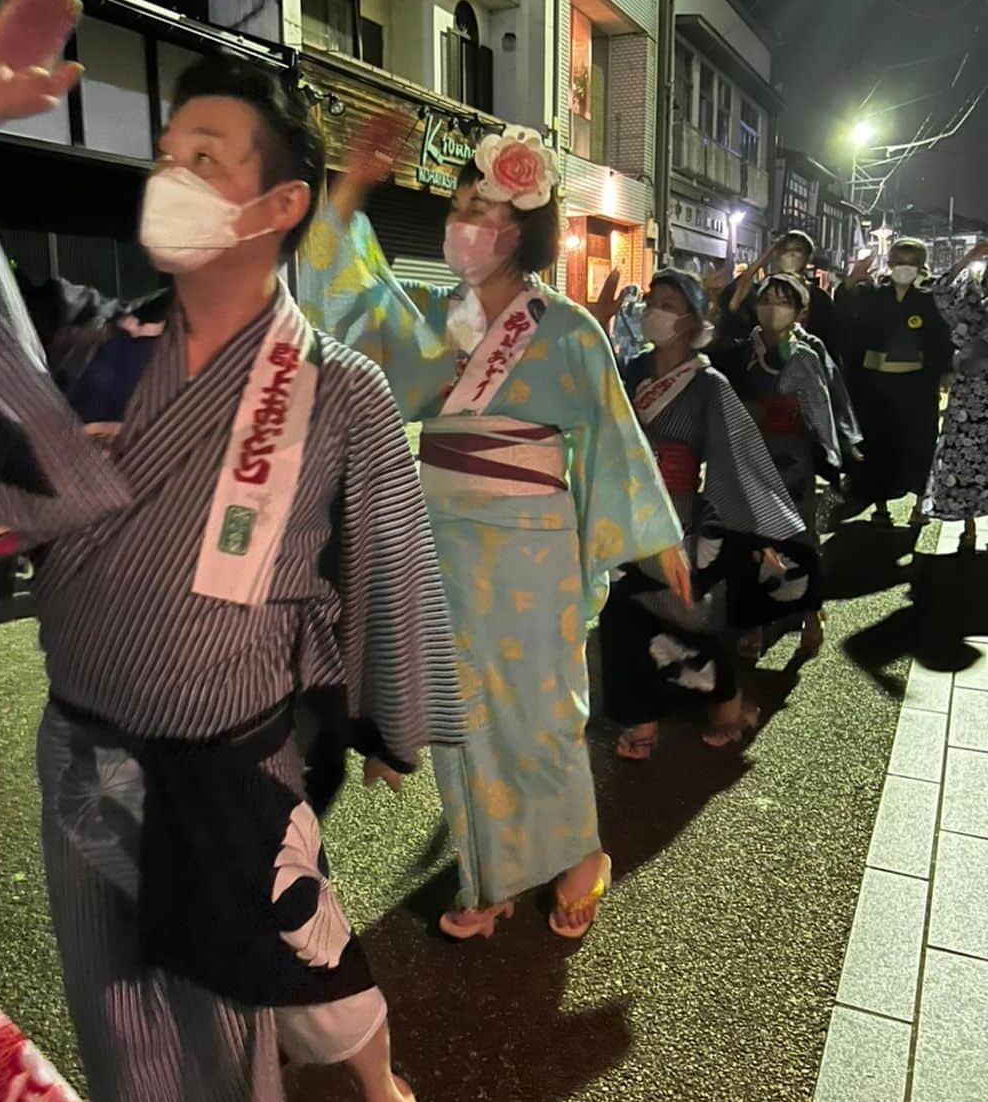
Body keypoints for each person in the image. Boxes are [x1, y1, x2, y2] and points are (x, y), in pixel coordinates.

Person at [0, 0, 461, 1102]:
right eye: (165, 152)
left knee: (233, 1017)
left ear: (279, 205)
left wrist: (390, 722)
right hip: (82, 759)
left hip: (232, 769)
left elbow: (389, 568)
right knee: (134, 1050)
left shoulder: (340, 393)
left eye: (203, 155)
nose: (168, 173)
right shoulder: (90, 356)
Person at [299, 115, 687, 942]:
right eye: (462, 208)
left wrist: (658, 535)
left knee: (540, 712)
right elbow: (348, 317)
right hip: (441, 539)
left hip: (532, 547)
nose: (471, 226)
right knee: (459, 711)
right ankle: (488, 875)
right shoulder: (434, 323)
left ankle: (579, 854)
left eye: (492, 212)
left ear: (526, 231)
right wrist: (350, 192)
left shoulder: (571, 330)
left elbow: (616, 438)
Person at [599, 267, 807, 758]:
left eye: (669, 304)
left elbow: (736, 460)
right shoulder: (630, 371)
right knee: (620, 616)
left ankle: (727, 695)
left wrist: (755, 533)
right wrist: (600, 325)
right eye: (652, 300)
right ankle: (640, 720)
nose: (655, 311)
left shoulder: (708, 384)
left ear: (693, 321)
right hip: (626, 512)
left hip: (679, 517)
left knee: (685, 616)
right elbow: (596, 403)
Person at [714, 272, 838, 656]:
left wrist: (832, 454)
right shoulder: (737, 353)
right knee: (748, 539)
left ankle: (811, 610)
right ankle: (753, 622)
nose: (773, 307)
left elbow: (820, 411)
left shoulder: (805, 355)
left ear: (800, 312)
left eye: (784, 300)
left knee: (797, 538)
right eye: (767, 298)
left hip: (791, 457)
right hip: (746, 454)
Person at [845, 238, 954, 526]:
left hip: (916, 384)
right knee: (878, 443)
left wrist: (945, 370)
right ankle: (880, 505)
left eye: (911, 262)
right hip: (875, 383)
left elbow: (943, 337)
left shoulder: (930, 298)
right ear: (890, 264)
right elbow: (846, 320)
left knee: (920, 443)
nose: (904, 267)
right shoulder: (872, 294)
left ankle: (920, 505)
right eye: (899, 261)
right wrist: (850, 284)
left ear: (921, 267)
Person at [923, 240, 988, 549]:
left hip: (971, 393)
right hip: (972, 396)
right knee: (965, 460)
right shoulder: (972, 309)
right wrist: (971, 256)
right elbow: (942, 290)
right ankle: (969, 525)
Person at [717, 229, 840, 364]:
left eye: (797, 250)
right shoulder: (764, 289)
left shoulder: (820, 299)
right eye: (786, 250)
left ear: (808, 257)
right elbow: (734, 305)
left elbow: (831, 342)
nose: (792, 255)